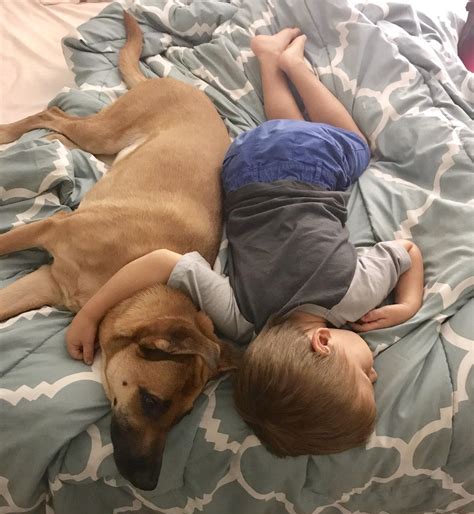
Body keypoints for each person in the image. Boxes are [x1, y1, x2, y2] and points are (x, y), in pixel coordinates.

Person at [67, 29, 424, 457]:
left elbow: (408, 251)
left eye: (365, 374)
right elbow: (162, 260)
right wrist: (90, 315)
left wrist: (409, 303)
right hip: (239, 166)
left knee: (356, 146)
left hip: (300, 165)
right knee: (287, 131)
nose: (376, 375)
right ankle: (272, 59)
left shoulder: (354, 294)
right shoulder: (240, 320)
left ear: (323, 343)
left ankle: (291, 66)